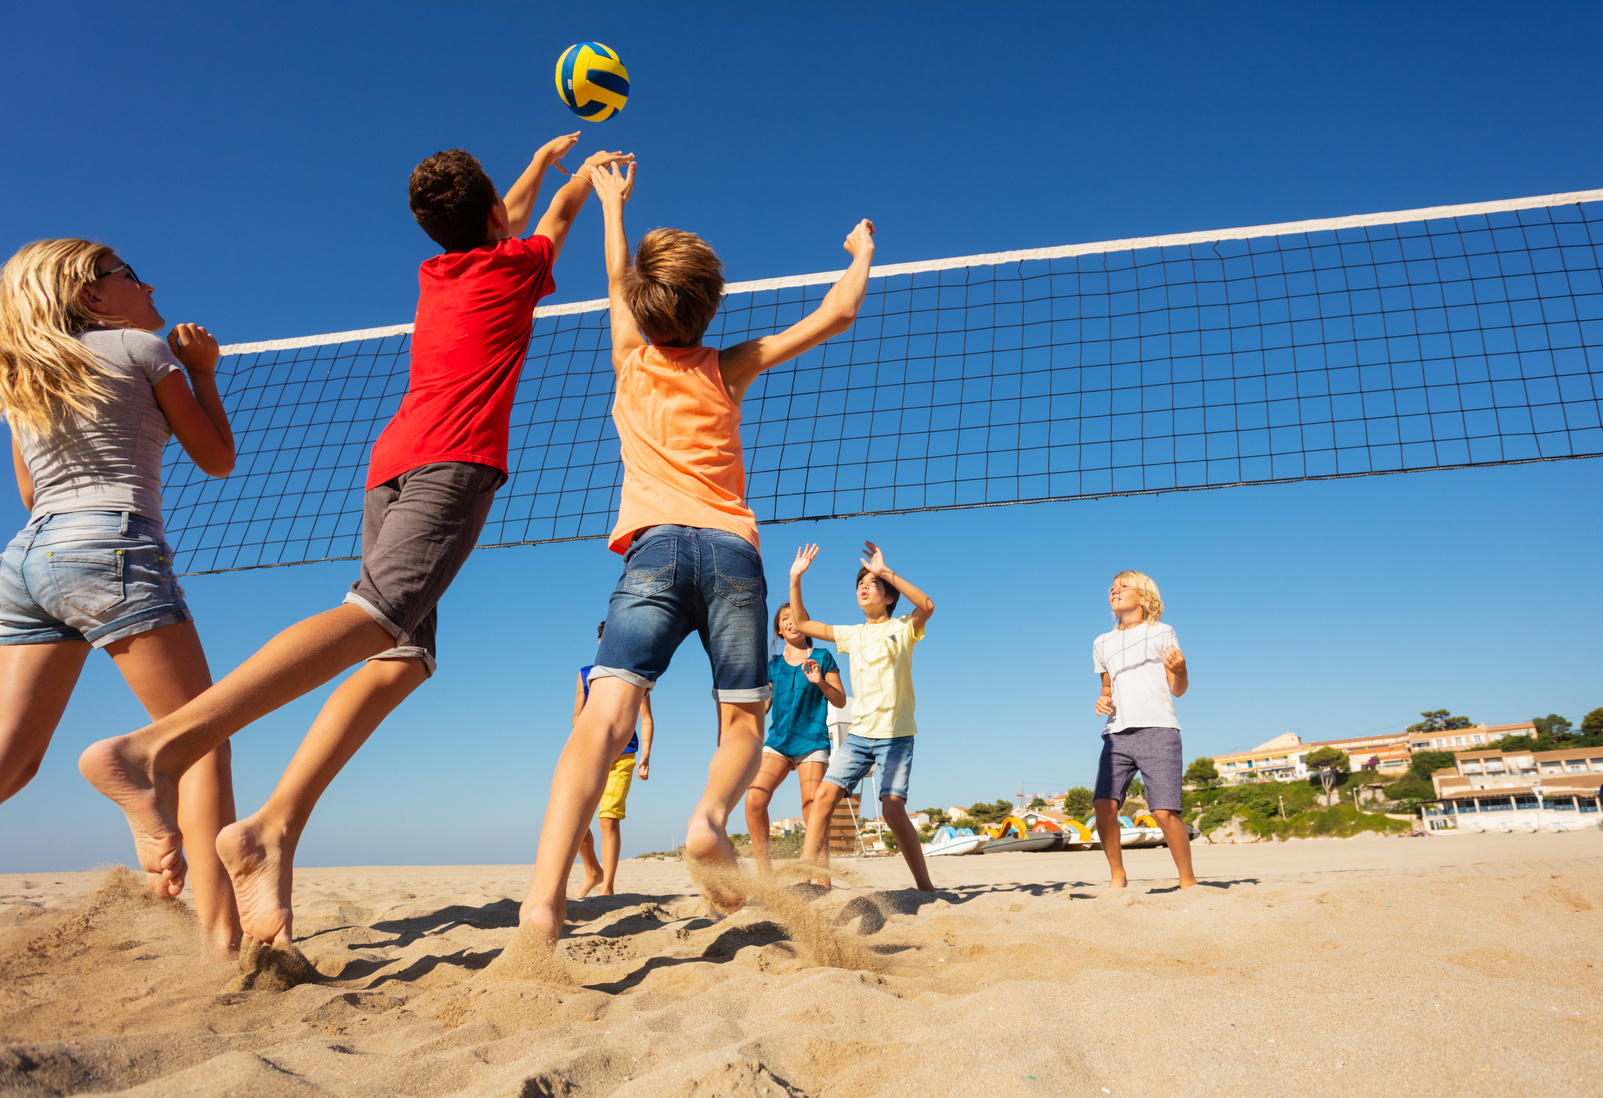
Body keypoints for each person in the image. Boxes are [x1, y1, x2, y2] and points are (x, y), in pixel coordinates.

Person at [78, 135, 634, 947]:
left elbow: (509, 215)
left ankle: (270, 830)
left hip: (390, 466)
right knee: (375, 618)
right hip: (452, 461)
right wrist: (583, 181)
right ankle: (155, 748)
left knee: (403, 658)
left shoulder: (439, 272)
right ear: (490, 220)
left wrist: (541, 168)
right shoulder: (511, 267)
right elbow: (538, 219)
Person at [517, 160, 877, 943]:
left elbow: (616, 278)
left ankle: (544, 898)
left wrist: (612, 204)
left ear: (642, 311)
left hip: (650, 553)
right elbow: (838, 315)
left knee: (604, 717)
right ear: (710, 306)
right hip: (729, 550)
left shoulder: (627, 356)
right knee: (741, 722)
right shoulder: (729, 364)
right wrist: (859, 252)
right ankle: (708, 818)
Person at [0, 239, 242, 959]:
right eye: (129, 273)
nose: (149, 281)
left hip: (28, 560)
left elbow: (29, 495)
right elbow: (218, 460)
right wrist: (202, 374)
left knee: (10, 762)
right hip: (112, 547)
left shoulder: (23, 382)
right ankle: (223, 940)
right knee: (202, 740)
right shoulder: (146, 351)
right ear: (92, 296)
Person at [791, 541, 936, 893]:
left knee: (892, 809)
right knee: (823, 799)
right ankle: (804, 881)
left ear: (888, 596)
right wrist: (795, 579)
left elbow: (927, 605)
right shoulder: (852, 635)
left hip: (896, 734)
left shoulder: (902, 628)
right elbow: (803, 623)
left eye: (872, 582)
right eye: (860, 582)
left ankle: (925, 887)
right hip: (859, 735)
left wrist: (885, 571)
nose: (864, 586)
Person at [1091, 569, 1196, 890]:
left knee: (1164, 812)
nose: (1114, 590)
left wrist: (1181, 670)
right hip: (1116, 734)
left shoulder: (1162, 632)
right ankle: (1118, 876)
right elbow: (1107, 686)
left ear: (1145, 598)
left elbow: (1178, 688)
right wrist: (1102, 699)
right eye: (1111, 587)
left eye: (1123, 586)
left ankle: (1188, 881)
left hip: (1159, 729)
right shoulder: (1101, 642)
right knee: (1103, 805)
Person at [745, 604, 844, 873]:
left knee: (812, 809)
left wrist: (820, 682)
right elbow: (763, 706)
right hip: (778, 743)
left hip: (811, 742)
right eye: (784, 619)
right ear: (778, 629)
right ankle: (766, 877)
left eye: (796, 617)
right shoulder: (772, 666)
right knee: (754, 799)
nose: (790, 622)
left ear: (805, 622)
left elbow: (840, 699)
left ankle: (821, 880)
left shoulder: (822, 657)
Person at [573, 621, 653, 898]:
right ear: (599, 642)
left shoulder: (637, 675)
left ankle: (607, 887)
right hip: (591, 754)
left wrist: (646, 754)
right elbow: (577, 715)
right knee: (576, 819)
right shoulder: (586, 674)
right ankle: (593, 872)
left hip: (624, 757)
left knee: (608, 819)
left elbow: (646, 719)